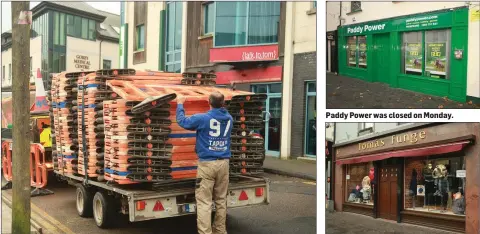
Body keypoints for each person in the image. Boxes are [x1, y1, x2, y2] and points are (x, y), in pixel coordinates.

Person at [176, 91, 233, 234]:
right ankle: (220, 231)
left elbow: (182, 121)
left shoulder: (203, 118)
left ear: (209, 102)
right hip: (224, 163)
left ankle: (205, 232)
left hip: (207, 164)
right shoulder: (229, 118)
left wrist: (180, 103)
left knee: (204, 202)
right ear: (223, 103)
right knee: (221, 200)